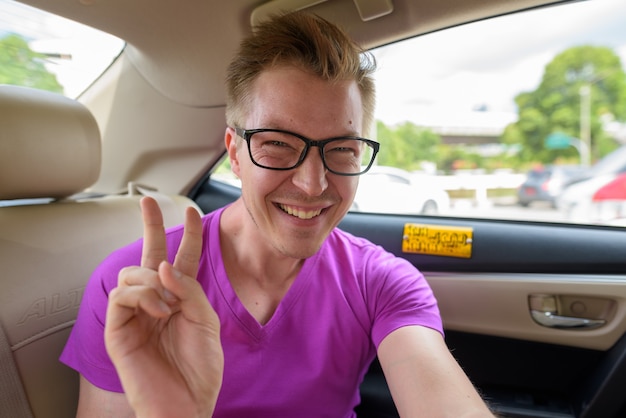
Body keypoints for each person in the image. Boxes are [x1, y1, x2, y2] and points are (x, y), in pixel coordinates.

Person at [60, 11, 495, 418]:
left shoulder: (381, 282)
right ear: (234, 151)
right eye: (278, 144)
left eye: (342, 149)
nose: (312, 184)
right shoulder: (136, 286)